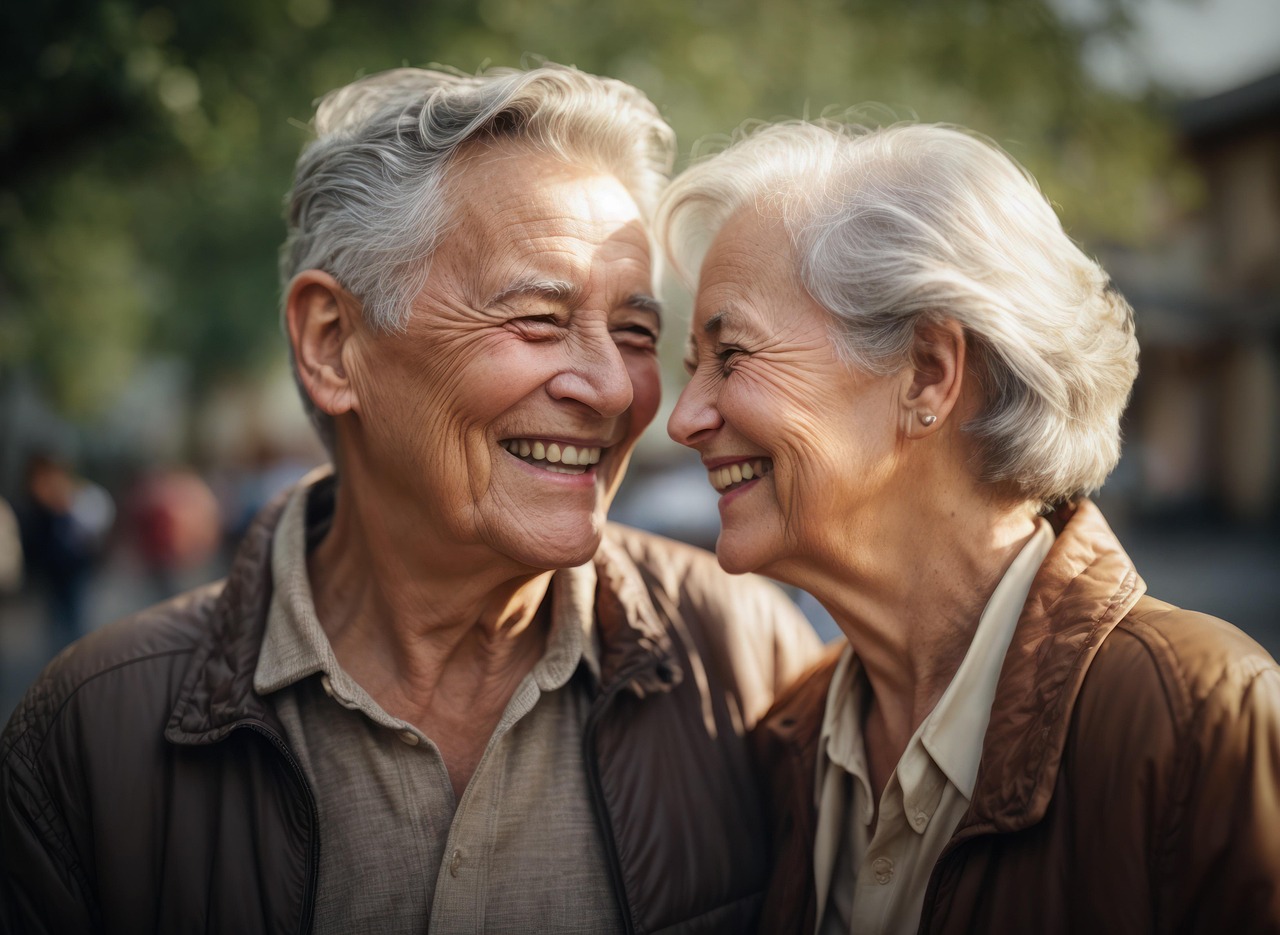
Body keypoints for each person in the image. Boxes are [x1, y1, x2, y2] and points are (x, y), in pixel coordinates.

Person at [0, 65, 822, 935]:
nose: (615, 388)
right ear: (333, 343)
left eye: (635, 333)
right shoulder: (95, 730)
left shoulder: (744, 657)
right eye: (539, 320)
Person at [659, 121, 1280, 934]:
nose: (684, 418)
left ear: (928, 371)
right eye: (691, 369)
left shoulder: (1198, 721)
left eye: (732, 355)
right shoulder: (787, 742)